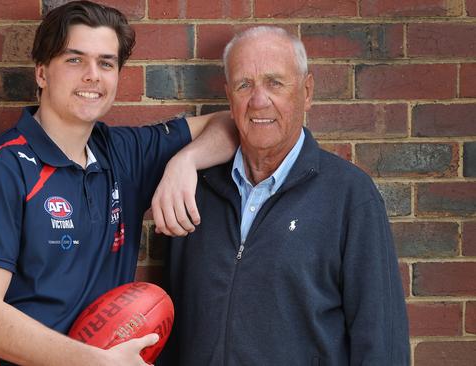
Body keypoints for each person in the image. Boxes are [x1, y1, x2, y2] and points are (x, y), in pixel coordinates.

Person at [0, 1, 236, 365]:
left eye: (106, 63)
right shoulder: (0, 168)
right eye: (74, 59)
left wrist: (185, 162)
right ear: (41, 73)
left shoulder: (123, 153)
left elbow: (230, 124)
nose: (92, 75)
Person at [158, 26, 410, 365]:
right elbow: (173, 328)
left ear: (306, 92)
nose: (259, 100)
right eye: (244, 84)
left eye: (275, 83)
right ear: (229, 96)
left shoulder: (349, 197)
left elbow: (382, 343)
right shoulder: (194, 193)